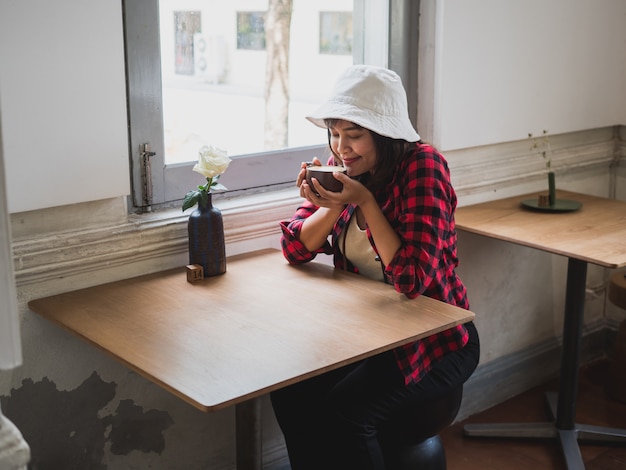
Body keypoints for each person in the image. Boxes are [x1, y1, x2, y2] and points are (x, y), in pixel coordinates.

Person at [271, 64, 480, 470]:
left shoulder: (423, 166)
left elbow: (411, 280)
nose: (341, 148)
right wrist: (332, 205)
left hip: (433, 339)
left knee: (346, 413)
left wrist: (365, 201)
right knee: (289, 392)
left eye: (355, 135)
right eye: (334, 133)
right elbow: (295, 249)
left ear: (384, 134)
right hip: (366, 332)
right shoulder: (343, 172)